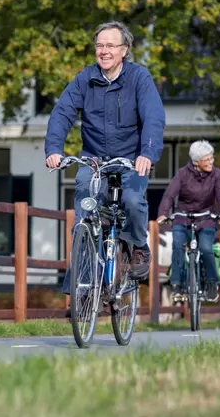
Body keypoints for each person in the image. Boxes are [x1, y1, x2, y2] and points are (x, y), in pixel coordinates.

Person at [45, 21, 166, 293]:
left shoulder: (139, 78)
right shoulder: (85, 79)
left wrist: (147, 153)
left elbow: (153, 118)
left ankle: (137, 246)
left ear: (124, 50)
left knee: (133, 201)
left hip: (131, 159)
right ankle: (83, 290)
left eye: (110, 45)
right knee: (83, 219)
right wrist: (54, 148)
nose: (104, 51)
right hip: (95, 159)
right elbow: (62, 113)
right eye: (99, 45)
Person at [156, 140, 220, 303]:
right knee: (177, 245)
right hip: (183, 217)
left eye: (212, 158)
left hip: (206, 218)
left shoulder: (217, 174)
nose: (211, 161)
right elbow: (170, 194)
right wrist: (163, 213)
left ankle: (212, 283)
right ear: (197, 161)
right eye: (207, 159)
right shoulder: (183, 174)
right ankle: (177, 285)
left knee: (205, 248)